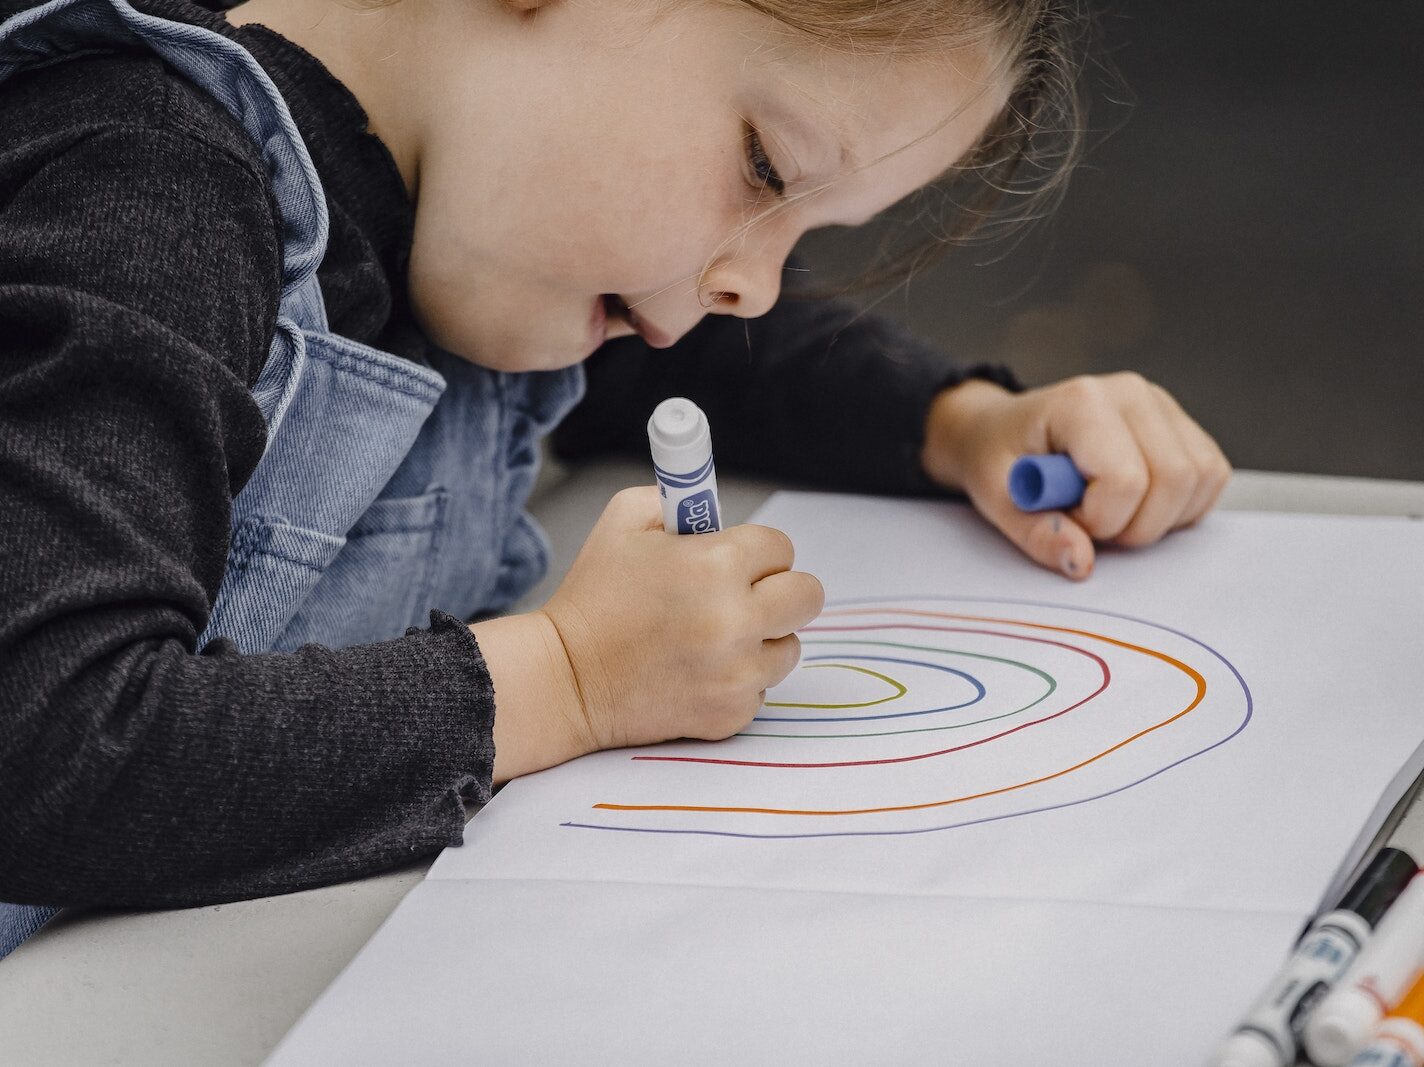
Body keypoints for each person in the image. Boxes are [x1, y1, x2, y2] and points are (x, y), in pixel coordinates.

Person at [0, 0, 1230, 957]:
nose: (751, 282)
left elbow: (704, 370)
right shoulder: (145, 191)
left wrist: (965, 423)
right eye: (762, 167)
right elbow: (45, 739)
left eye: (809, 234)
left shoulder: (466, 210)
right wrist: (572, 680)